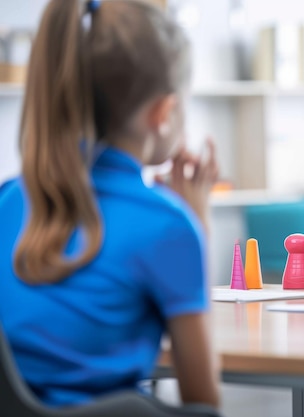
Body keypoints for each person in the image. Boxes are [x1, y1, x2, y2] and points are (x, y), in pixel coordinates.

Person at [0, 0, 221, 410]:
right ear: (164, 114)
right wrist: (198, 225)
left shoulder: (7, 200)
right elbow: (204, 402)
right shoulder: (169, 226)